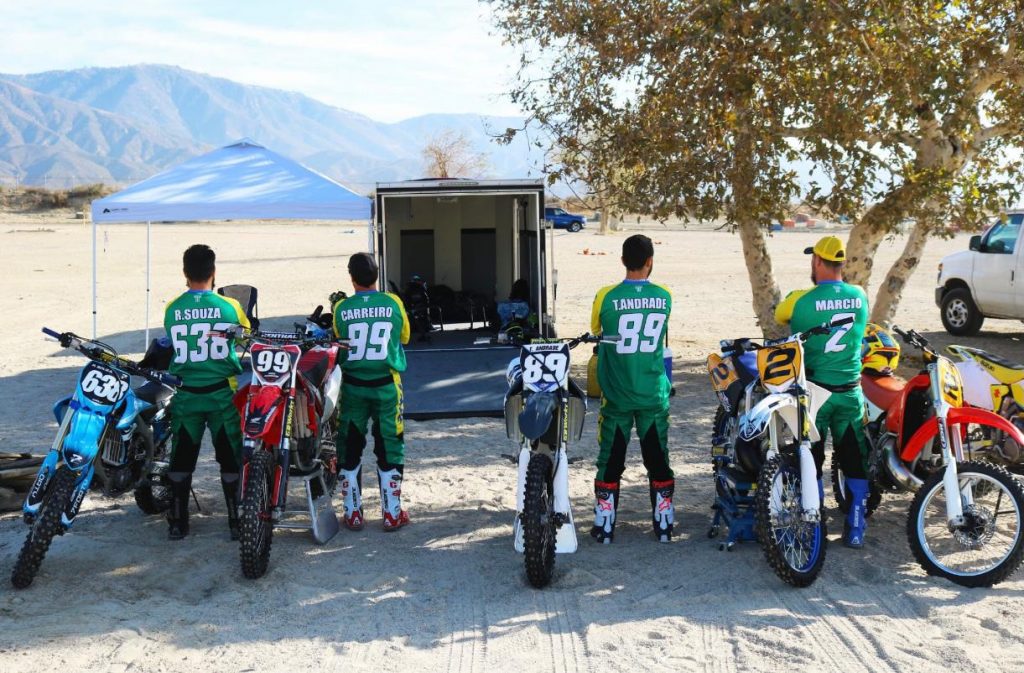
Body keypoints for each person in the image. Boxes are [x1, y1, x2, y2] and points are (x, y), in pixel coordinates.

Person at [774, 235, 871, 548]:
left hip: (815, 395)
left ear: (817, 261)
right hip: (850, 392)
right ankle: (856, 525)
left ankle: (815, 522)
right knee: (854, 458)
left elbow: (779, 315)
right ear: (841, 263)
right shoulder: (860, 296)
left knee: (811, 458)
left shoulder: (800, 299)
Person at [590, 234, 674, 543]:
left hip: (617, 394)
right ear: (650, 261)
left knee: (610, 459)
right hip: (653, 392)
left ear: (623, 260)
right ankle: (664, 521)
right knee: (657, 457)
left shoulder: (605, 296)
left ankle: (605, 524)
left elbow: (597, 331)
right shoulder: (664, 296)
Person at [163, 244, 250, 540]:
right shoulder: (230, 306)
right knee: (230, 456)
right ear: (214, 272)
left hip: (186, 393)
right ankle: (236, 520)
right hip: (221, 393)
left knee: (182, 455)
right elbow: (243, 340)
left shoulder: (173, 307)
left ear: (185, 273)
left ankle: (178, 522)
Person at [333, 252, 412, 531]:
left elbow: (337, 338)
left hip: (353, 386)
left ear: (351, 277)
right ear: (376, 276)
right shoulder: (393, 302)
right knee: (390, 444)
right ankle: (392, 513)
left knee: (349, 444)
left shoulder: (341, 307)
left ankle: (353, 512)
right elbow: (405, 337)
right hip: (387, 386)